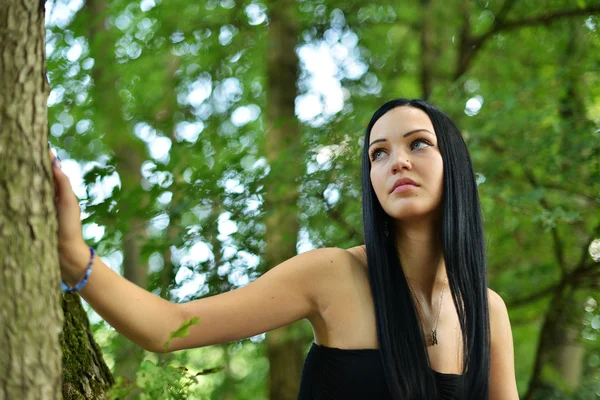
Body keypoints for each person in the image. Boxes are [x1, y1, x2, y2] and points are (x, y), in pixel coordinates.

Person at [50, 98, 519, 399]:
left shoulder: (485, 310)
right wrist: (75, 257)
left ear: (453, 166)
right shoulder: (334, 275)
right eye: (378, 153)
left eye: (418, 144)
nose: (396, 161)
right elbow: (168, 328)